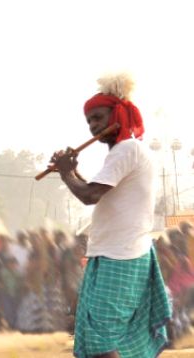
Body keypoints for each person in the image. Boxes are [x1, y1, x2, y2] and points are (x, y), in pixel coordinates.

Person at [50, 73, 171, 358]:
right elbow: (95, 190)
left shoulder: (127, 149)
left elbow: (90, 195)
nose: (93, 126)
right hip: (113, 252)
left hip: (121, 254)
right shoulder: (125, 152)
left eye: (98, 118)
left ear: (118, 114)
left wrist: (66, 171)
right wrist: (71, 171)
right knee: (95, 335)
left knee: (103, 338)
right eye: (89, 121)